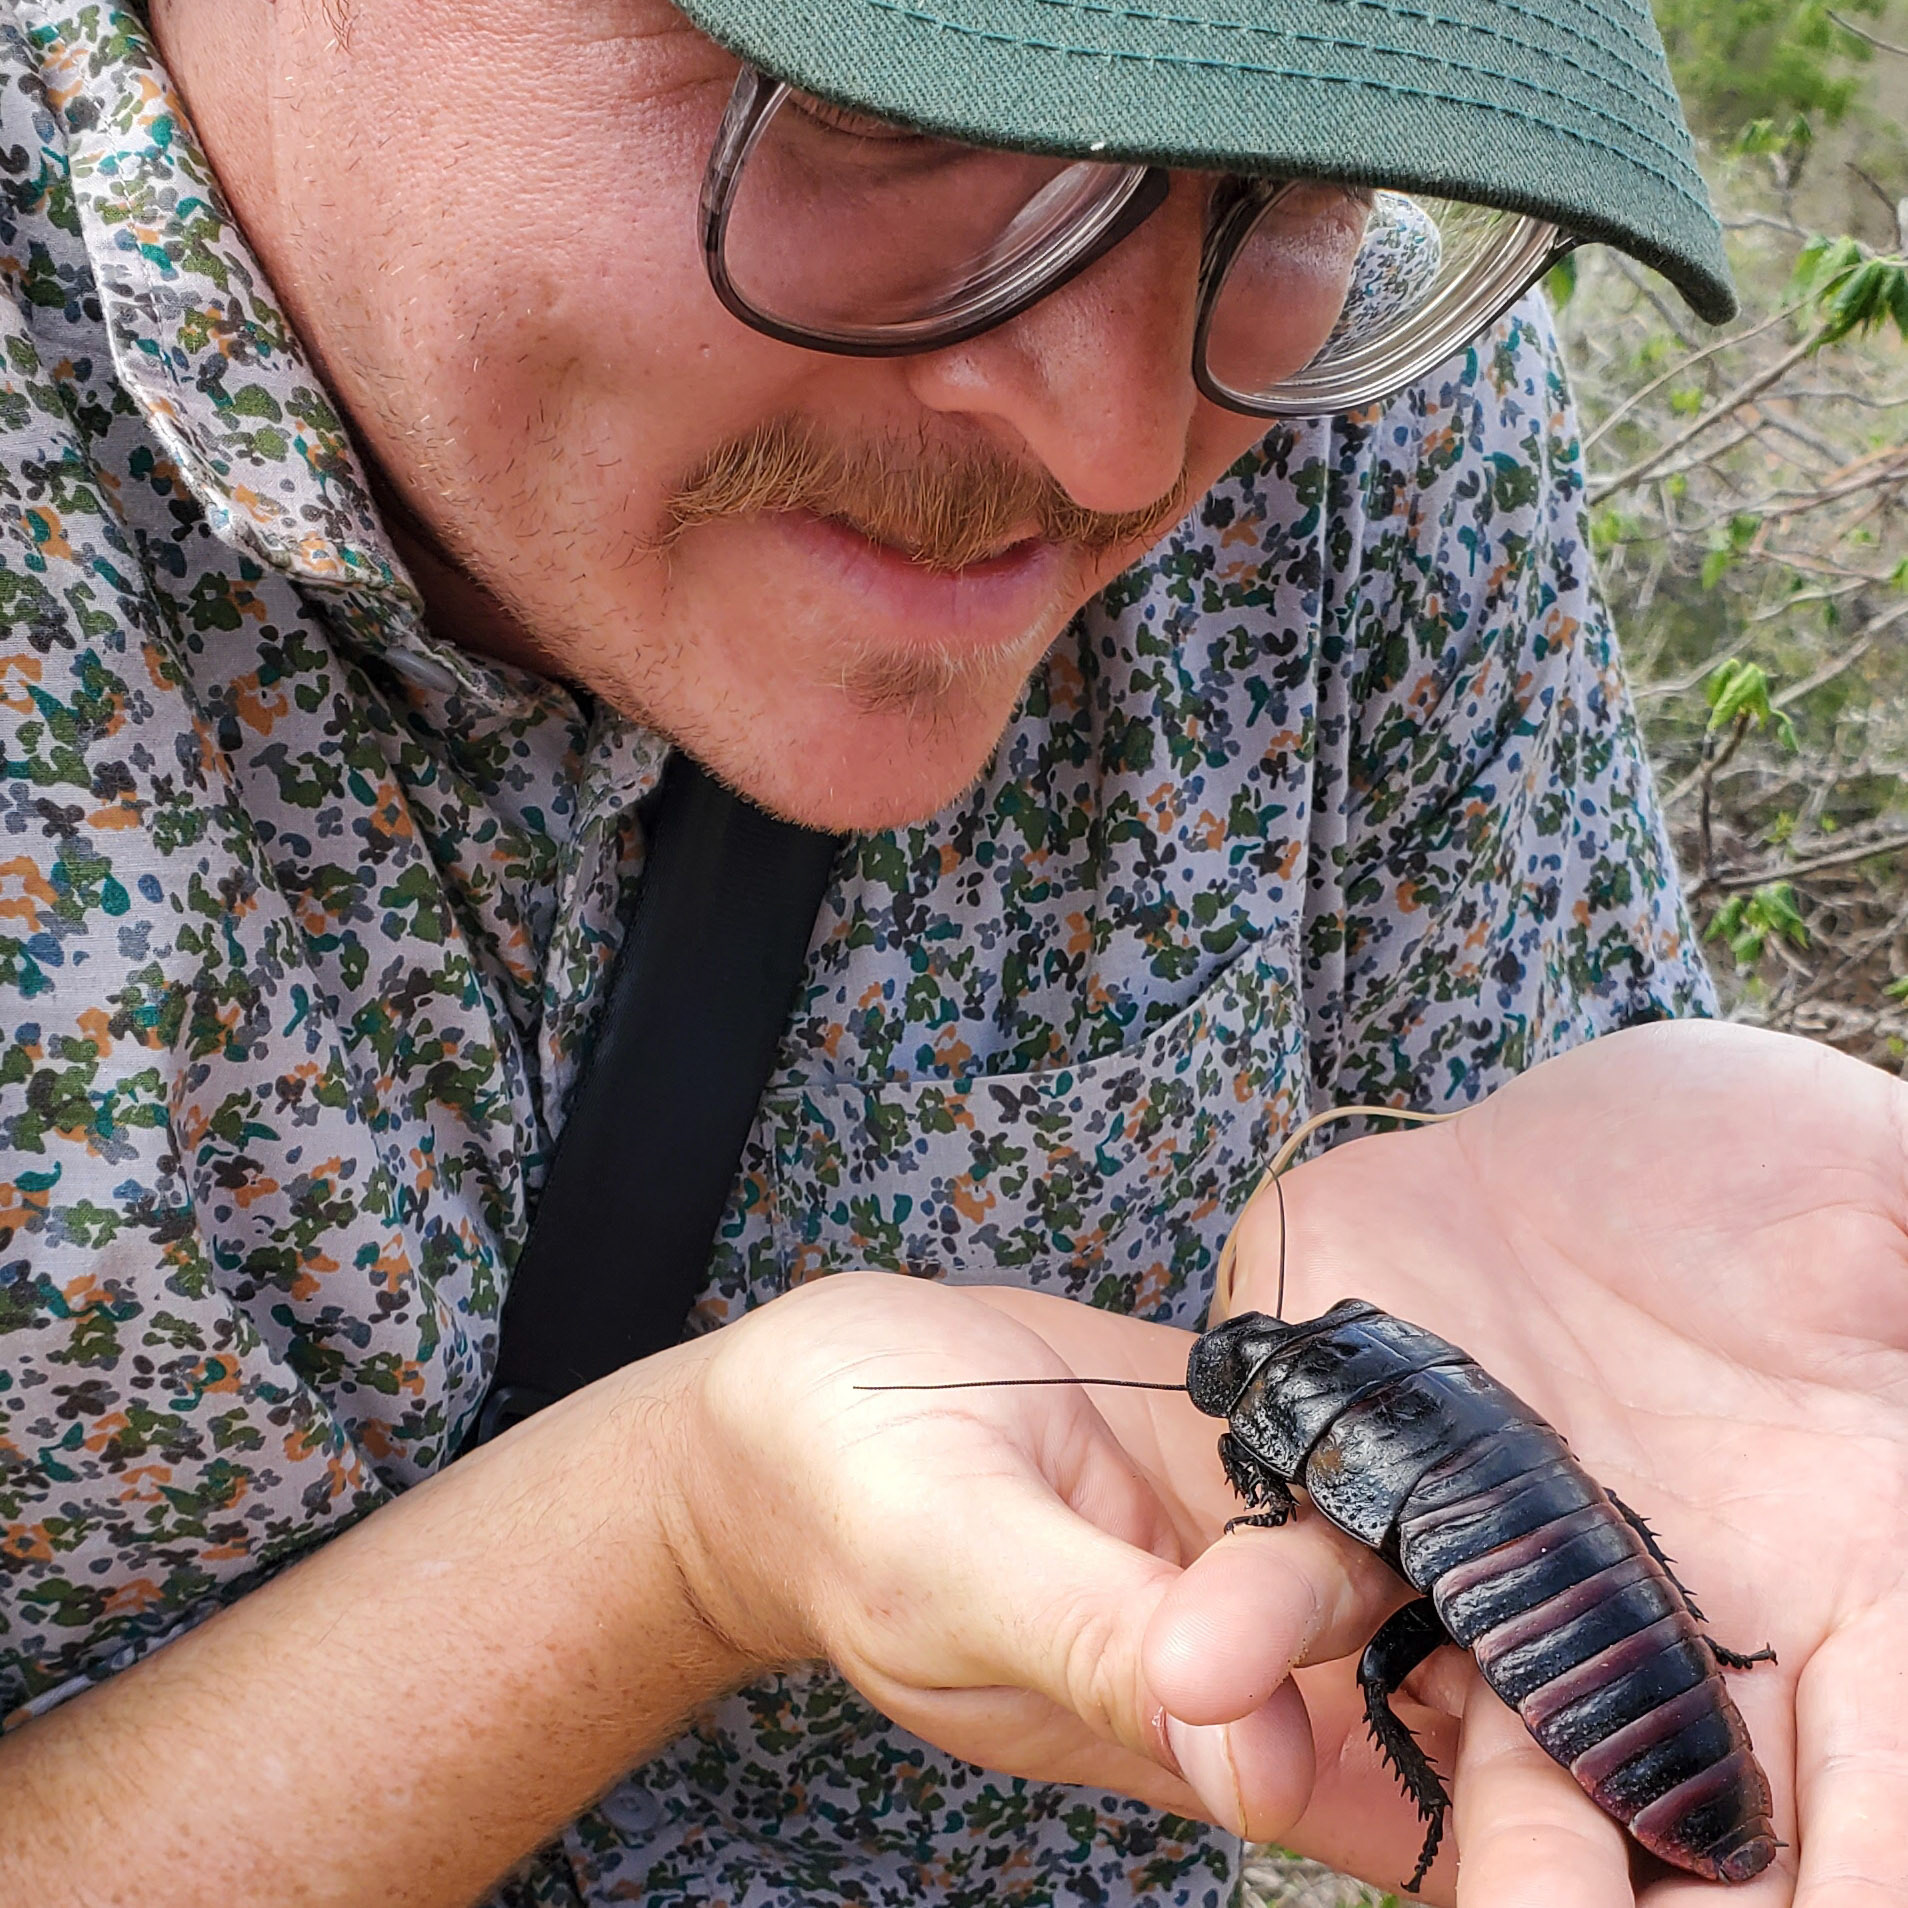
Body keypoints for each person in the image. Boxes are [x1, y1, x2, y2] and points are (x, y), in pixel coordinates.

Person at [3, 2, 1897, 1905]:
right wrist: (667, 1535)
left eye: (1303, 167)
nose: (1118, 436)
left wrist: (1636, 1111)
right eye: (869, 100)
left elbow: (1564, 1233)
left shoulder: (1339, 381)